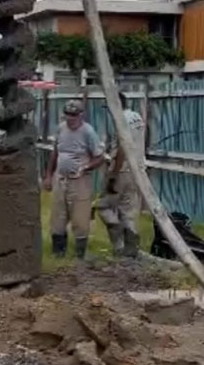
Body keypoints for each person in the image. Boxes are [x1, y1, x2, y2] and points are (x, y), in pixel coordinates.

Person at [44, 100, 105, 259]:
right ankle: (58, 252)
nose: (70, 118)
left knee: (80, 217)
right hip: (61, 178)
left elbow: (99, 158)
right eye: (68, 115)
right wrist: (49, 175)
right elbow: (55, 152)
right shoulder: (61, 128)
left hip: (80, 180)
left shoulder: (88, 132)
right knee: (58, 216)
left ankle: (80, 253)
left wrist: (85, 167)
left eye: (73, 115)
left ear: (80, 115)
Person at [98, 92, 146, 258]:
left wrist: (113, 174)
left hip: (122, 170)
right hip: (137, 171)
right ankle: (131, 249)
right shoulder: (136, 117)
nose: (108, 111)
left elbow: (122, 149)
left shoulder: (121, 120)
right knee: (128, 210)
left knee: (104, 206)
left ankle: (119, 246)